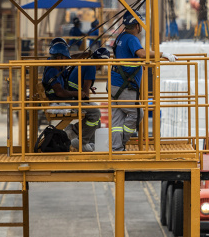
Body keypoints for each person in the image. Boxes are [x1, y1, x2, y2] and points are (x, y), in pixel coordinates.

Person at [109, 13, 175, 151]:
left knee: (117, 118)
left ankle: (116, 148)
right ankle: (119, 143)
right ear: (137, 25)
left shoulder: (120, 37)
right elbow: (142, 53)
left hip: (114, 84)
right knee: (137, 113)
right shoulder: (131, 38)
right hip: (124, 86)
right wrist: (163, 54)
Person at [63, 47, 107, 151]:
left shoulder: (86, 62)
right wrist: (87, 104)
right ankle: (82, 142)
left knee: (95, 111)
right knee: (95, 113)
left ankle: (79, 133)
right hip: (71, 100)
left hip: (70, 97)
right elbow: (86, 90)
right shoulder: (91, 66)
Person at [42, 42, 72, 115]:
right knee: (93, 110)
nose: (67, 60)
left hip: (59, 101)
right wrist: (77, 94)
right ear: (59, 58)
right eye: (66, 58)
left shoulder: (57, 68)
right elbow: (59, 92)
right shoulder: (53, 71)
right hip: (57, 102)